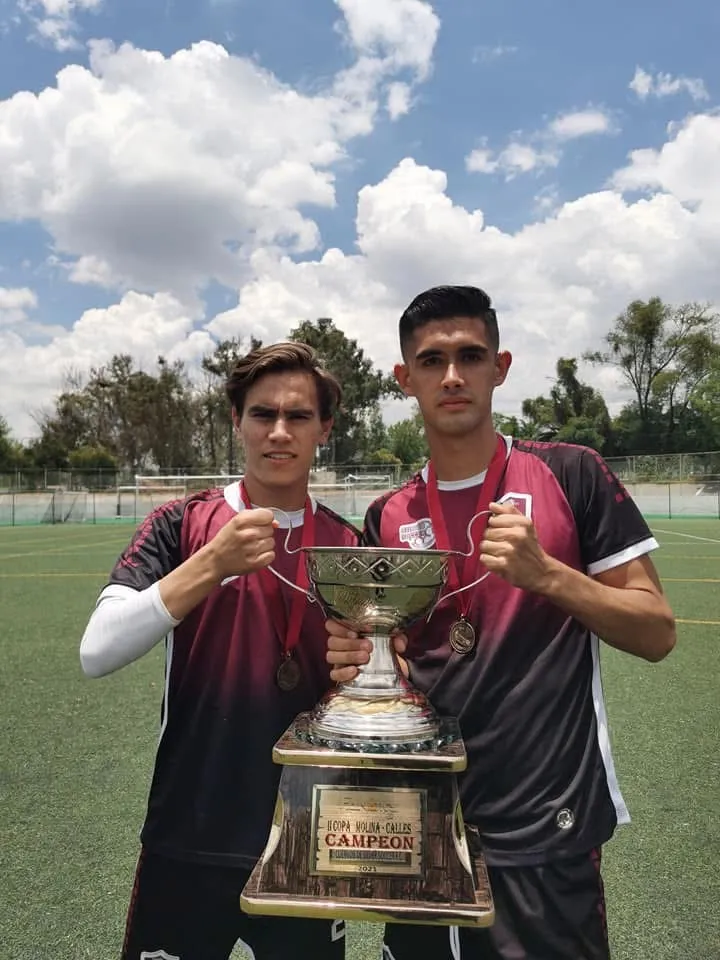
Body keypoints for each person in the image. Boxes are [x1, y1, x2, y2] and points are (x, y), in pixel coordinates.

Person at [326, 285, 676, 960]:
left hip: (546, 827)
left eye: (470, 356)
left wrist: (548, 575)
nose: (452, 375)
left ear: (500, 367)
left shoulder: (570, 473)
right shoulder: (387, 515)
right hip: (423, 827)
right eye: (432, 361)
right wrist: (359, 659)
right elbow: (391, 657)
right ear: (405, 378)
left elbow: (657, 631)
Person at [80, 342, 358, 960]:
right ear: (237, 421)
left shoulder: (348, 546)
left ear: (324, 429)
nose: (279, 432)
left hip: (306, 836)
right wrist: (211, 564)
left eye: (298, 416)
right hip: (189, 828)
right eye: (262, 414)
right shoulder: (181, 524)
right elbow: (97, 650)